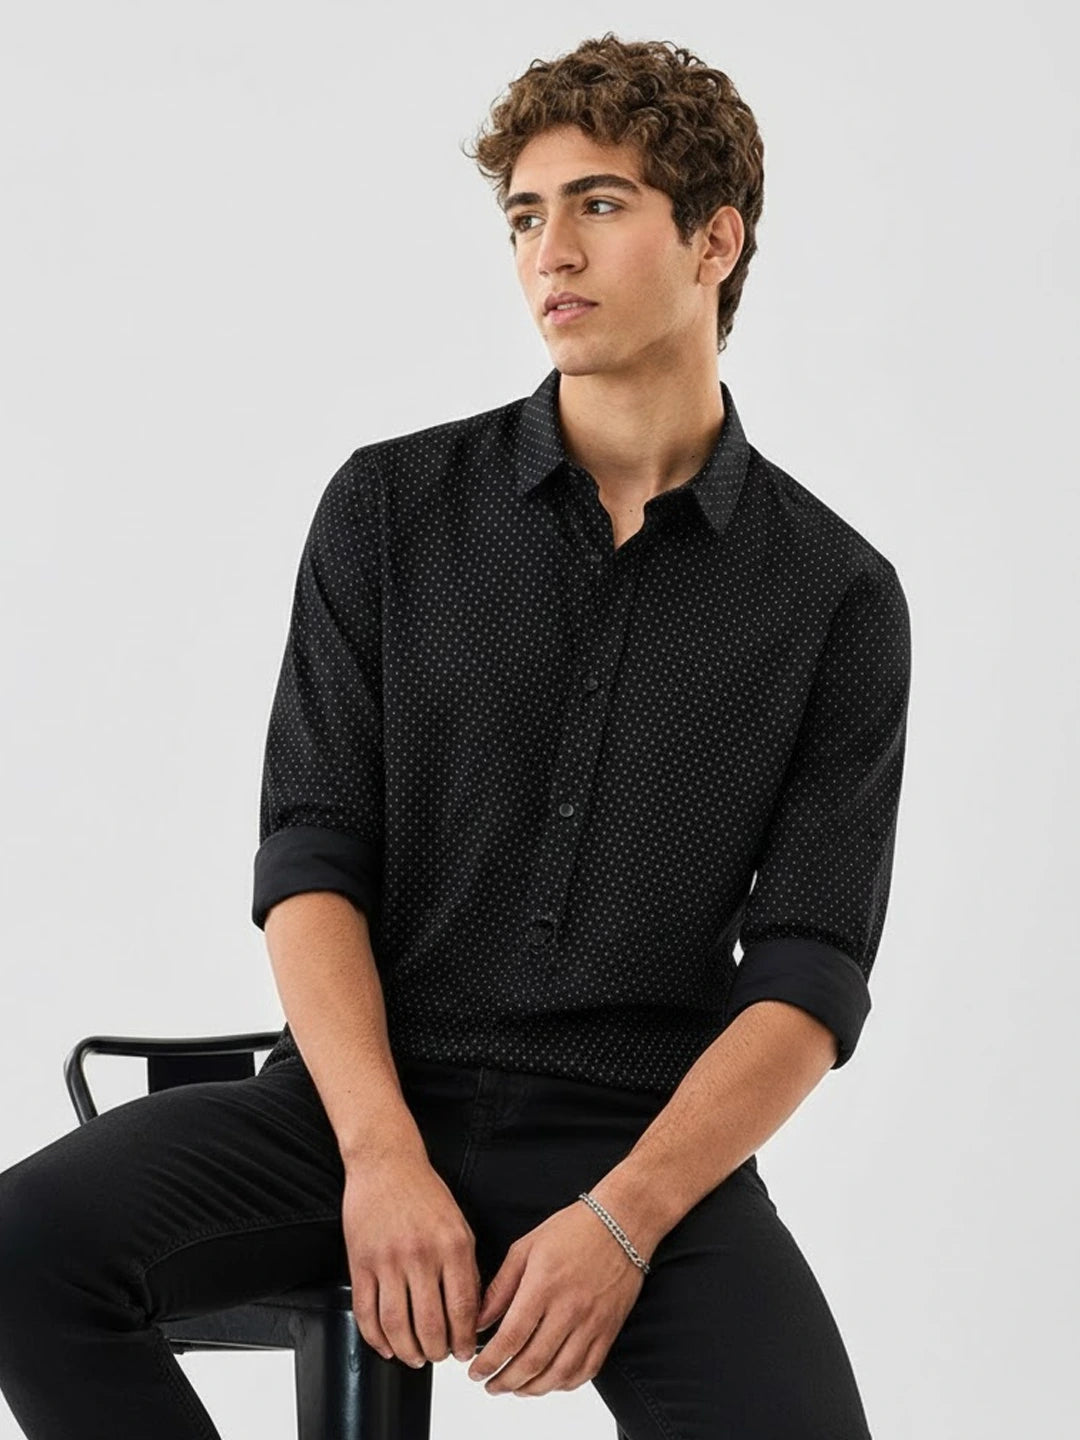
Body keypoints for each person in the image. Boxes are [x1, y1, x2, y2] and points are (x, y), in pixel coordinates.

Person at [0, 32, 910, 1438]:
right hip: (356, 1106)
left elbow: (809, 975)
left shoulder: (834, 594)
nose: (553, 252)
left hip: (637, 1139)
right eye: (526, 217)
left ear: (715, 240)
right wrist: (379, 1156)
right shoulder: (388, 510)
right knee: (21, 1249)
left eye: (599, 204)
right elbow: (312, 862)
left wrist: (626, 1218)